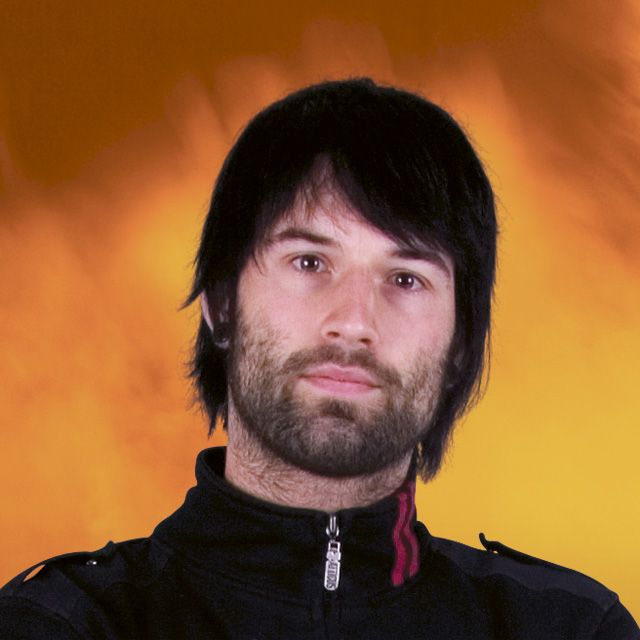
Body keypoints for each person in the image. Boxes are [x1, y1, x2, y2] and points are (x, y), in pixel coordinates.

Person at [0, 78, 637, 639]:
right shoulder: (57, 624)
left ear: (460, 345)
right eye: (309, 262)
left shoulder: (571, 628)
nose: (354, 323)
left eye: (406, 278)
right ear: (221, 304)